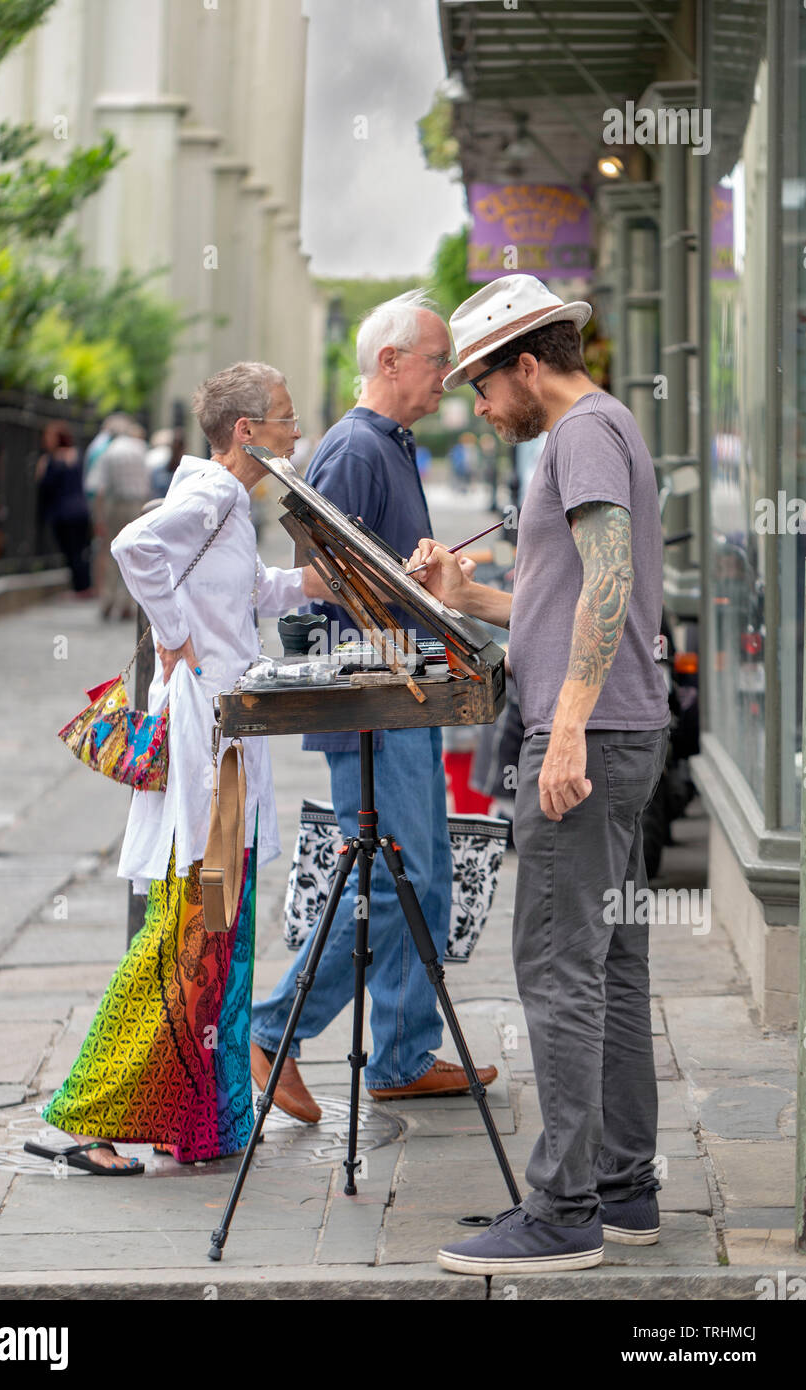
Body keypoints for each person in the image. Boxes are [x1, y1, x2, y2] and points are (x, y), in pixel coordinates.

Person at [406, 274, 670, 1276]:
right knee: (608, 967)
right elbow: (561, 598)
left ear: (528, 364)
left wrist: (562, 732)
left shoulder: (581, 434)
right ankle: (621, 1185)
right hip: (615, 730)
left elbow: (607, 581)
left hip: (590, 741)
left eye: (480, 381)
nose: (474, 401)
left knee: (558, 968)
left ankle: (562, 1210)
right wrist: (463, 590)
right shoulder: (594, 429)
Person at [33, 363, 328, 1172]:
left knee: (213, 944)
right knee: (189, 937)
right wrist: (171, 634)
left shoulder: (226, 504)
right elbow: (134, 546)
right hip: (208, 750)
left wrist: (312, 582)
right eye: (285, 419)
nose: (295, 434)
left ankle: (198, 1124)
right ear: (246, 432)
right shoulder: (215, 496)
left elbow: (243, 593)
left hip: (224, 744)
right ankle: (92, 1119)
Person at [250, 290, 498, 1121]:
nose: (450, 378)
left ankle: (398, 1053)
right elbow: (327, 587)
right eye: (437, 362)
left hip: (403, 696)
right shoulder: (356, 448)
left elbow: (367, 576)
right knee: (400, 879)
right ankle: (274, 1029)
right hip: (376, 701)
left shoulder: (384, 444)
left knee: (421, 882)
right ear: (389, 362)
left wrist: (418, 572)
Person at [91, 414, 149, 620]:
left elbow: (101, 487)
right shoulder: (140, 449)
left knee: (111, 553)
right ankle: (126, 603)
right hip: (136, 504)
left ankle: (107, 601)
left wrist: (99, 517)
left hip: (114, 504)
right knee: (131, 553)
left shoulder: (110, 452)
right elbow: (146, 481)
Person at [36, 422, 93, 596]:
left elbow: (44, 485)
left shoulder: (50, 460)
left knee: (72, 551)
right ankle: (83, 586)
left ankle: (81, 587)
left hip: (64, 512)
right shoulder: (75, 454)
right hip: (79, 509)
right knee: (78, 550)